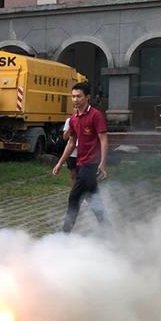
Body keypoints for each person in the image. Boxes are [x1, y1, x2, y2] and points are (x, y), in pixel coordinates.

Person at [52, 81, 108, 233]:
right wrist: (59, 163)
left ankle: (65, 232)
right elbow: (71, 143)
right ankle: (107, 229)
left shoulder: (96, 115)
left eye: (79, 96)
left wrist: (102, 163)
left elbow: (103, 140)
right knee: (92, 198)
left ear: (87, 97)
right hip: (80, 162)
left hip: (92, 164)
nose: (75, 100)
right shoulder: (73, 119)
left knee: (74, 196)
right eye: (73, 96)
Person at [62, 116, 79, 185]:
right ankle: (74, 192)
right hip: (72, 153)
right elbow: (65, 137)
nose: (77, 109)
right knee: (73, 176)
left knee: (83, 176)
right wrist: (71, 127)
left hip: (84, 153)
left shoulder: (87, 119)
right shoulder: (70, 120)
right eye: (75, 107)